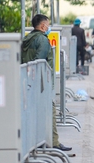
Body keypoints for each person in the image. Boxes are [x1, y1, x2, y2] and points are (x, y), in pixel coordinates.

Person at [22, 14, 72, 152]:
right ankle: (54, 143)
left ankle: (36, 143)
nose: (49, 28)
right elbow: (40, 62)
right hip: (42, 83)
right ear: (43, 26)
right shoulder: (42, 40)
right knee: (50, 111)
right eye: (48, 25)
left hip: (28, 82)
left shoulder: (27, 39)